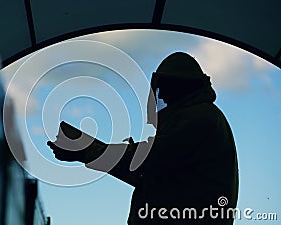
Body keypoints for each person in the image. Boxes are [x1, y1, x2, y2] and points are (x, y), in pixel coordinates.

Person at [47, 52, 239, 225]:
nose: (162, 96)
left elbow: (144, 160)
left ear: (179, 88)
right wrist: (87, 150)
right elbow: (149, 175)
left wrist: (87, 149)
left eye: (166, 89)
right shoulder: (199, 117)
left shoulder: (199, 118)